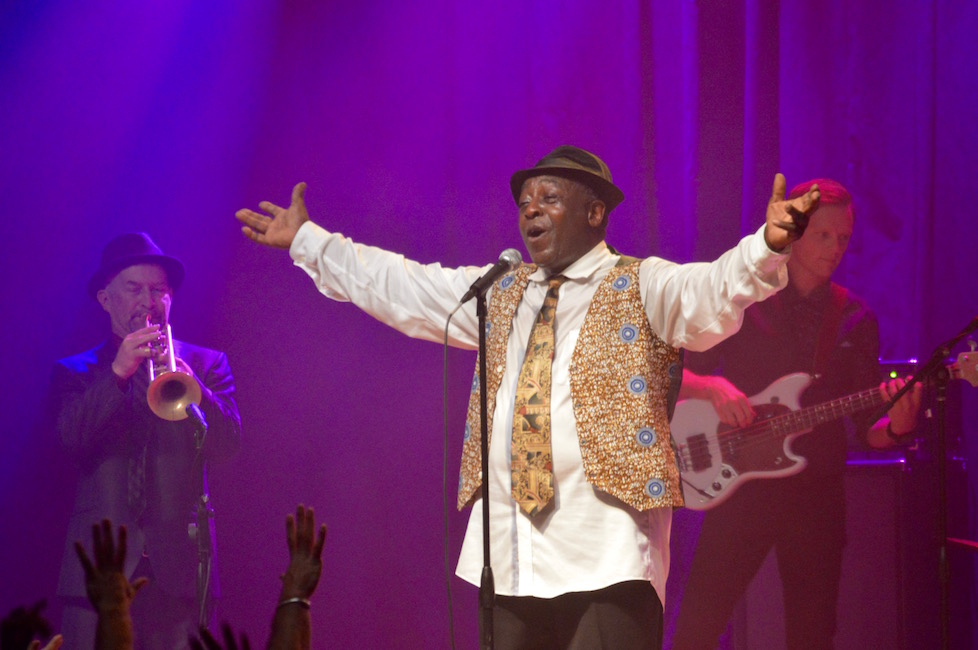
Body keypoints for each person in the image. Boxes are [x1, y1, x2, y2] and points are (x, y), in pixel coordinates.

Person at [235, 146, 819, 648]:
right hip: (510, 555)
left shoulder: (643, 284)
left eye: (548, 198)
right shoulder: (501, 292)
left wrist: (767, 246)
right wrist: (307, 242)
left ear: (595, 212)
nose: (531, 210)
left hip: (606, 553)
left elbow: (713, 291)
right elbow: (403, 285)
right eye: (525, 203)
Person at [670, 178, 923, 649]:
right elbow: (672, 377)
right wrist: (711, 387)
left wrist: (901, 427)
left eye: (844, 238)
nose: (836, 249)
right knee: (697, 629)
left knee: (812, 635)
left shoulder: (855, 318)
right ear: (797, 233)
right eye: (824, 236)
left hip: (816, 499)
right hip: (737, 489)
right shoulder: (745, 301)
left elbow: (871, 433)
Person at [50, 233, 242, 650]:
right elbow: (70, 441)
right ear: (105, 299)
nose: (149, 301)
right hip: (98, 572)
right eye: (134, 289)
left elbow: (228, 447)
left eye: (159, 290)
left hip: (179, 572)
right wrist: (118, 372)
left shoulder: (208, 365)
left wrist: (199, 393)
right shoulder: (76, 371)